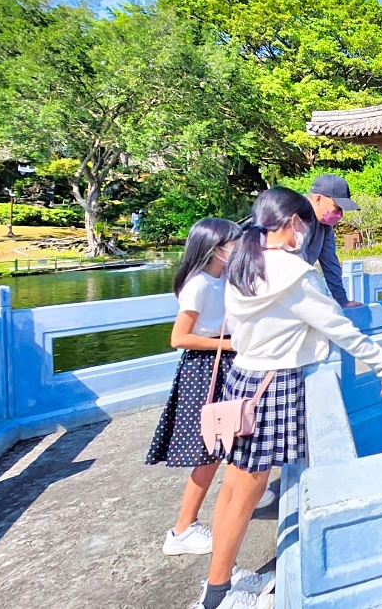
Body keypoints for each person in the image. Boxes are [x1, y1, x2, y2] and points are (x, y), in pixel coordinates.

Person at [190, 188, 382, 609]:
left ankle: (219, 577)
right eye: (305, 223)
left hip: (244, 378)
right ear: (294, 222)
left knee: (234, 487)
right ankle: (217, 596)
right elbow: (340, 329)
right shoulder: (294, 273)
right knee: (247, 493)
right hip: (272, 385)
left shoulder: (244, 261)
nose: (307, 232)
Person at [146, 219, 252, 561]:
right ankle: (182, 528)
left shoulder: (222, 279)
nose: (236, 249)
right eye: (231, 244)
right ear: (213, 247)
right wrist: (230, 344)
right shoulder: (199, 285)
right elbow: (179, 338)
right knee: (207, 450)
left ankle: (188, 526)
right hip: (205, 368)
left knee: (219, 448)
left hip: (222, 361)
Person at [302, 175, 361, 309]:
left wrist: (342, 301)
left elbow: (330, 263)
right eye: (337, 207)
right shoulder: (294, 220)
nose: (340, 214)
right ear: (318, 199)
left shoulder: (325, 226)